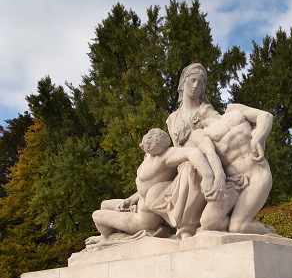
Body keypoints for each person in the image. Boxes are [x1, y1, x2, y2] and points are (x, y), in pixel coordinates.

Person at [85, 128, 226, 245]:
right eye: (149, 141)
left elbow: (193, 152)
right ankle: (111, 234)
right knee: (104, 204)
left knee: (97, 215)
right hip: (138, 202)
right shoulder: (149, 157)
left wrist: (208, 176)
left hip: (144, 218)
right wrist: (130, 199)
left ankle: (106, 238)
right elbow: (145, 187)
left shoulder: (166, 156)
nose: (150, 145)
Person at [190, 103, 273, 234]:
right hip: (234, 181)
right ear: (196, 119)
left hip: (258, 172)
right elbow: (210, 154)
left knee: (238, 227)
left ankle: (267, 233)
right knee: (209, 222)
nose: (203, 103)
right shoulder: (200, 133)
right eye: (199, 106)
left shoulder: (233, 110)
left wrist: (257, 138)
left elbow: (265, 116)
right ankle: (233, 226)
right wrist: (219, 177)